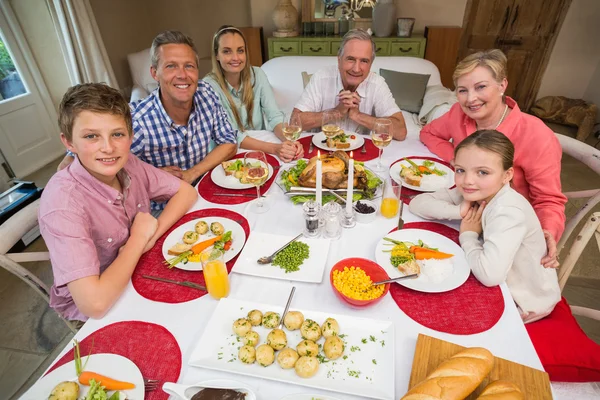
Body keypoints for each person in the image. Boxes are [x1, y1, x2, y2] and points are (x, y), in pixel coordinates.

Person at [39, 83, 198, 322]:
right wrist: (137, 239)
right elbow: (95, 304)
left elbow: (186, 192)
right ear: (69, 143)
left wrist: (148, 237)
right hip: (101, 308)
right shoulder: (63, 204)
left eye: (117, 134)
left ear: (130, 136)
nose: (108, 147)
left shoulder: (128, 163)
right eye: (91, 136)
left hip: (140, 267)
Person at [58, 31, 238, 210]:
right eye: (171, 66)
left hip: (203, 191)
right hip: (160, 209)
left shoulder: (206, 93)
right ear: (154, 73)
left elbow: (229, 141)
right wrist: (149, 178)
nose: (182, 75)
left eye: (189, 66)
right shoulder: (135, 120)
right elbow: (68, 166)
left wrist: (192, 173)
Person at [419, 49, 566, 268]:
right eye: (462, 90)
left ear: (502, 85)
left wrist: (547, 231)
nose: (471, 99)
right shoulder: (458, 113)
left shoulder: (537, 135)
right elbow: (428, 133)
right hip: (465, 210)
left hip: (505, 230)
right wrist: (456, 159)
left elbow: (549, 200)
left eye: (481, 87)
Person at [409, 130, 561, 323]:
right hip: (495, 273)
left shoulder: (508, 211)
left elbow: (490, 276)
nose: (468, 180)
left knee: (430, 303)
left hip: (522, 301)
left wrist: (469, 236)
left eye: (483, 172)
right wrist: (459, 212)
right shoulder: (477, 190)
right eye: (460, 170)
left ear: (507, 175)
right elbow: (417, 203)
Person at [203, 25, 303, 162]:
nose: (235, 57)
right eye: (227, 51)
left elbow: (274, 116)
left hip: (259, 151)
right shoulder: (208, 87)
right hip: (226, 154)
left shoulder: (258, 75)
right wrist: (275, 148)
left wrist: (288, 142)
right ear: (217, 55)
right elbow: (232, 136)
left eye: (240, 50)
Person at [292, 29, 407, 140]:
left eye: (364, 61)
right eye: (351, 59)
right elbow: (294, 123)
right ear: (339, 60)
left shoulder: (377, 84)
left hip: (361, 155)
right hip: (322, 152)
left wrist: (358, 115)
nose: (356, 69)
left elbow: (400, 132)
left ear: (371, 64)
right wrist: (336, 112)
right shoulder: (321, 77)